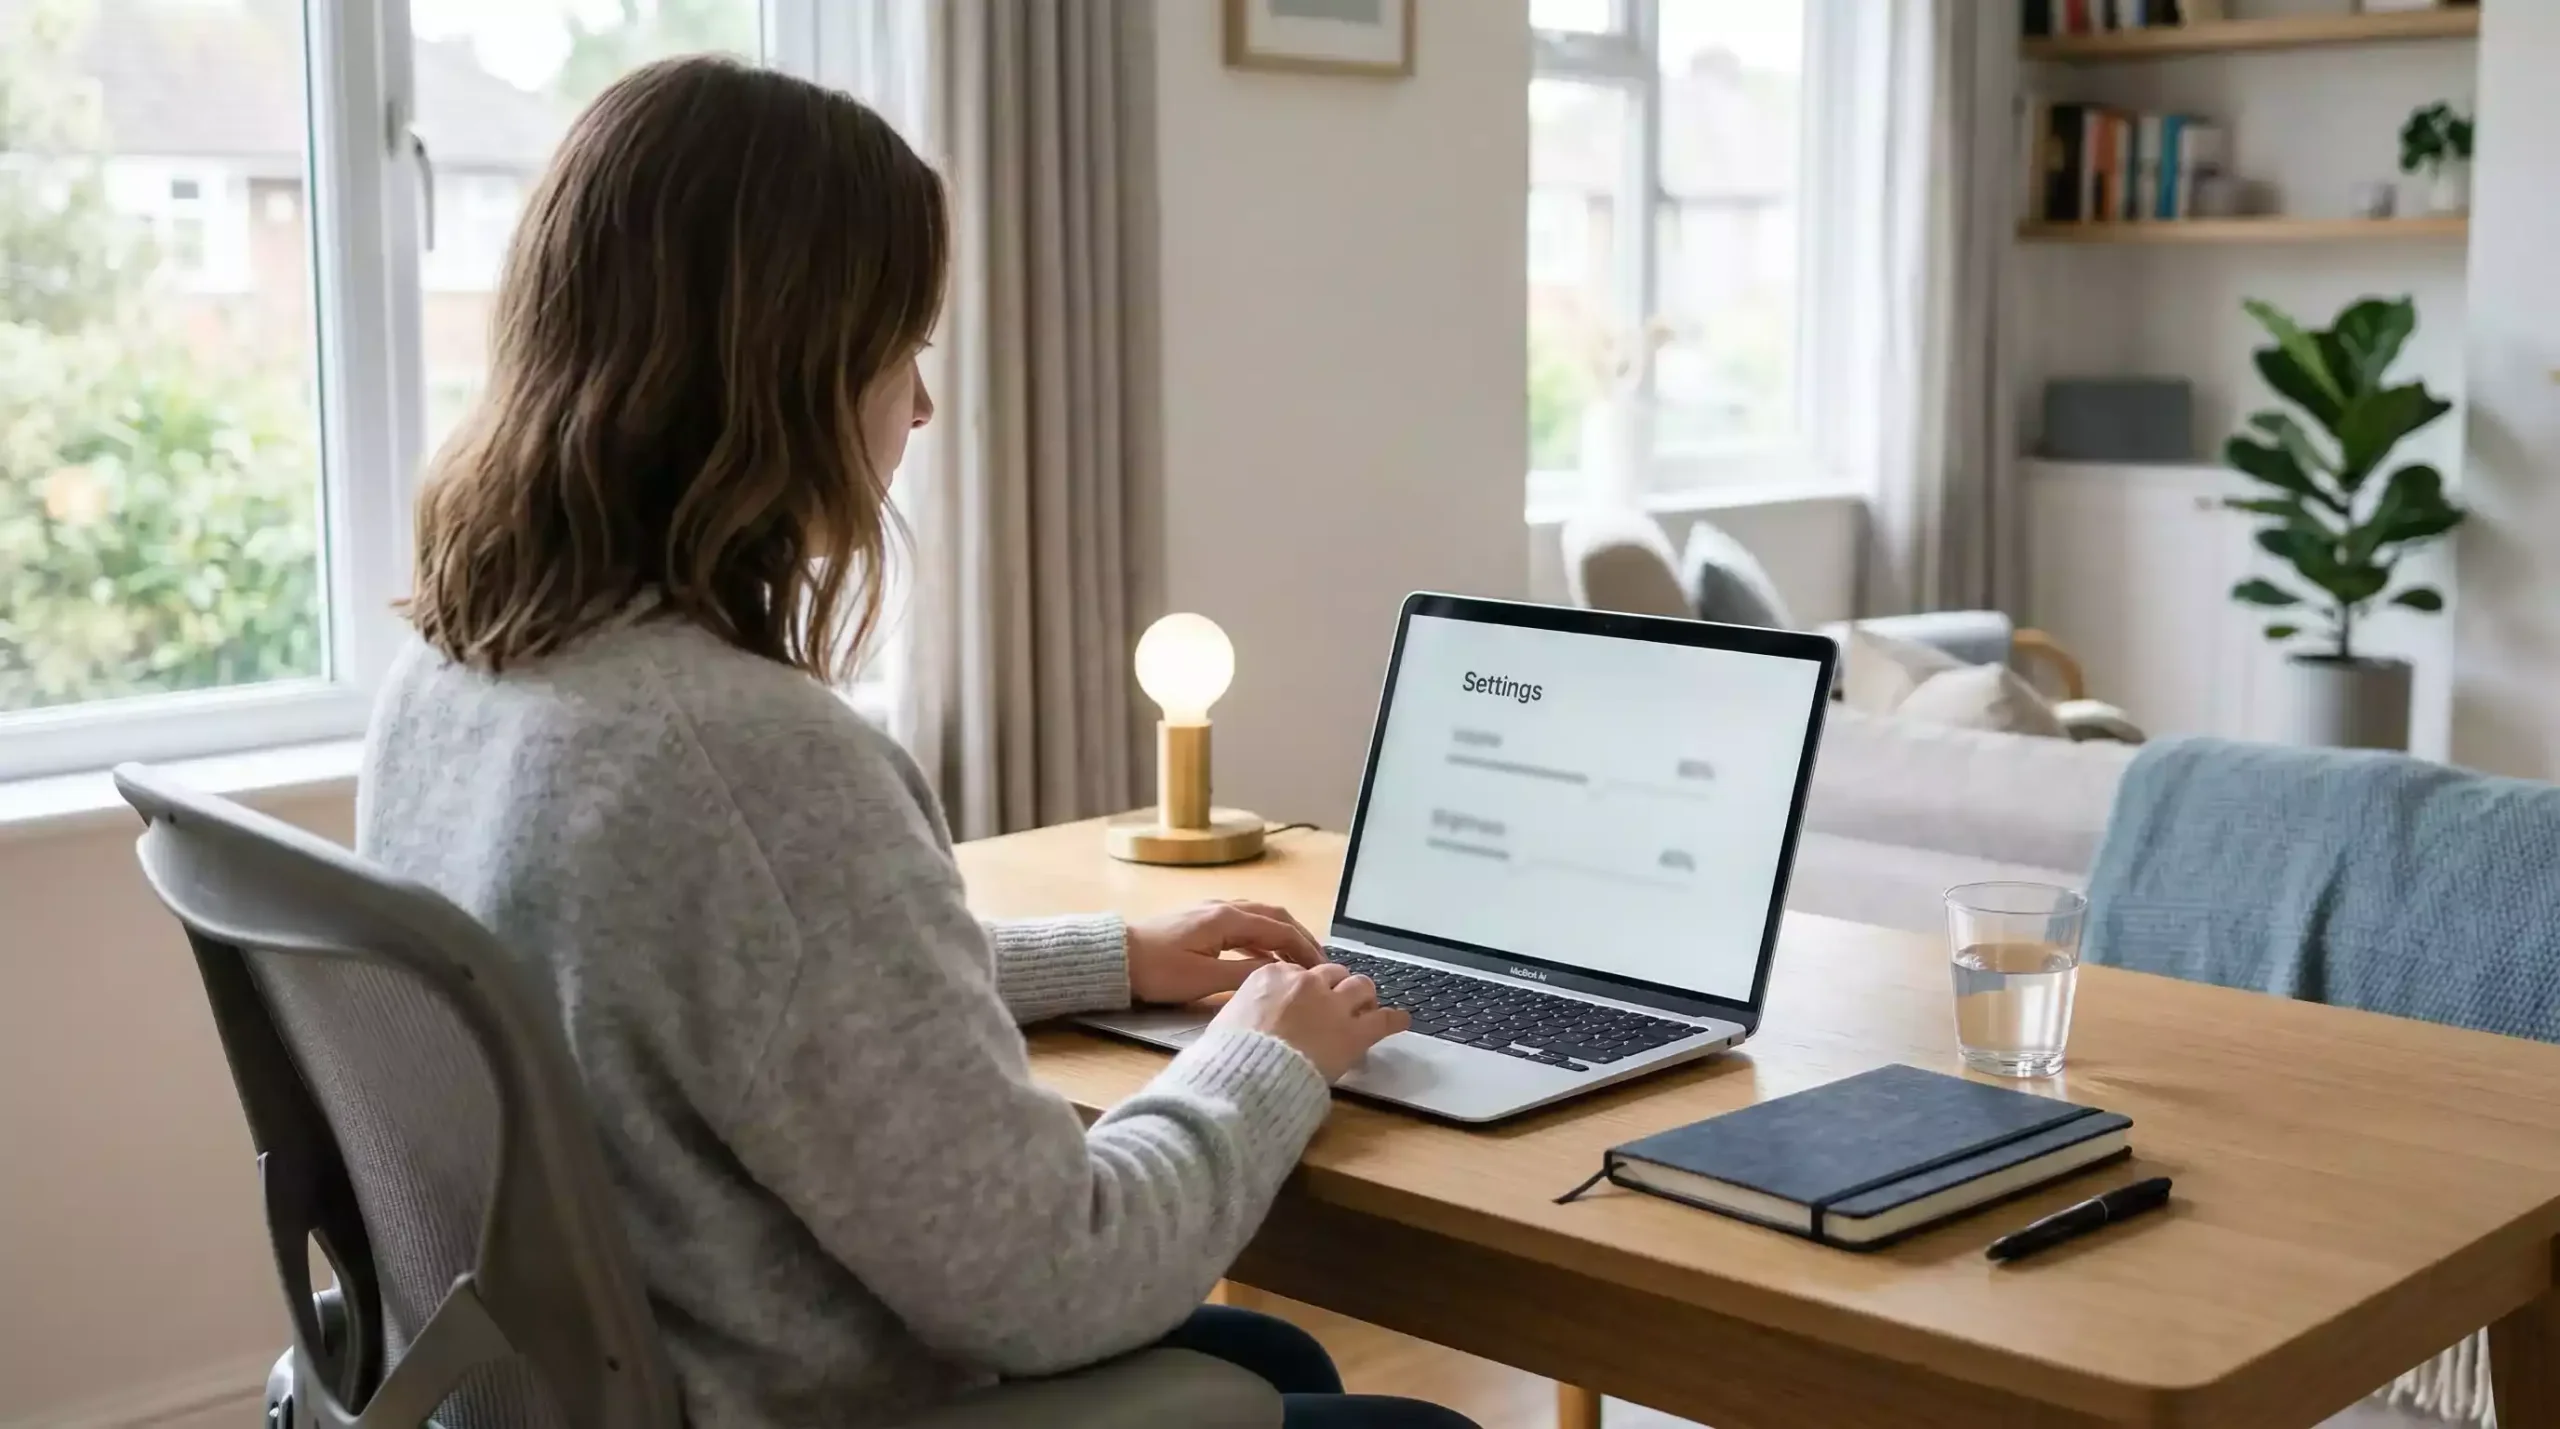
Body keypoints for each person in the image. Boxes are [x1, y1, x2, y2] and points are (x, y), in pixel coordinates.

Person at [361, 54, 1477, 1429]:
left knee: (1278, 1370)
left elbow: (705, 994)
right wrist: (1269, 1053)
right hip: (796, 1400)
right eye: (909, 353)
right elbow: (1065, 1278)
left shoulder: (457, 666)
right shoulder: (747, 758)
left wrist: (1110, 958)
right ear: (786, 374)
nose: (923, 411)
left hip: (561, 1386)